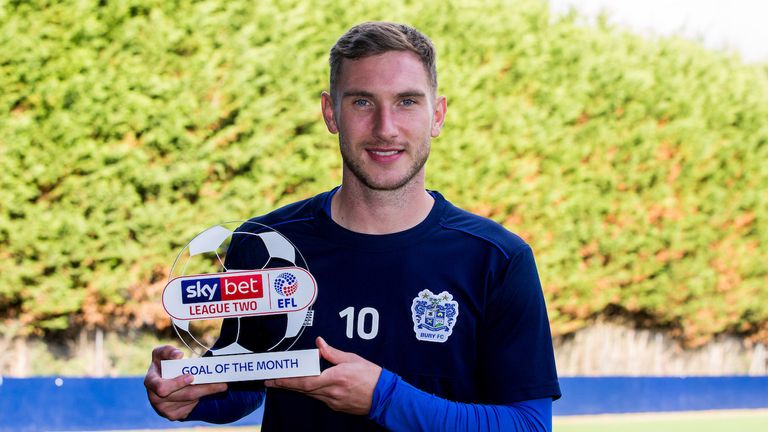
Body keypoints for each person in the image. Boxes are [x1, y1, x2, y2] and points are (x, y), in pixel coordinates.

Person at [144, 21, 561, 431]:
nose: (385, 128)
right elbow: (251, 381)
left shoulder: (497, 258)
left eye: (407, 102)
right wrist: (190, 393)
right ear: (331, 113)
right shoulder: (266, 245)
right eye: (362, 102)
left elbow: (528, 424)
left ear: (437, 115)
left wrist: (385, 399)